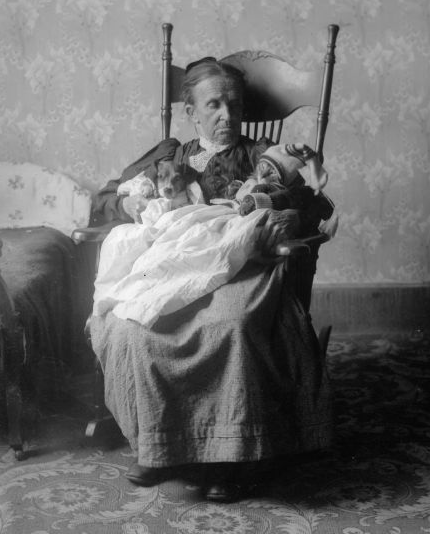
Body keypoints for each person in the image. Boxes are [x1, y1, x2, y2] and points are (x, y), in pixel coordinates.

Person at [89, 57, 334, 502]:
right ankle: (161, 447)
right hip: (178, 260)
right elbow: (108, 197)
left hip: (242, 261)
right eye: (214, 105)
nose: (227, 115)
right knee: (135, 324)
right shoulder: (171, 156)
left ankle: (228, 457)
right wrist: (133, 206)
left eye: (235, 105)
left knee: (230, 323)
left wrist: (263, 200)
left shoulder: (261, 155)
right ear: (191, 113)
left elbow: (314, 202)